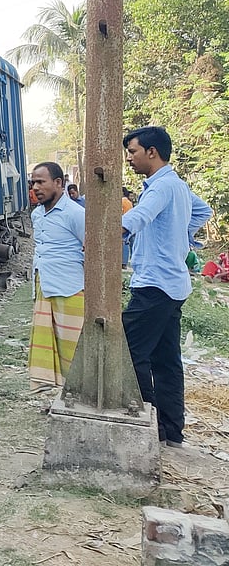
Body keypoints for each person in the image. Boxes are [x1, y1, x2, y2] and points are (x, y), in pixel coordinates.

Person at [121, 126, 212, 448]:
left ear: (152, 152)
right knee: (166, 360)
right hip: (173, 284)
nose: (129, 158)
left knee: (129, 352)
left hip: (155, 284)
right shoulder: (178, 185)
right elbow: (204, 211)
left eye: (132, 152)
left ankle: (148, 424)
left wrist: (109, 231)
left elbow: (138, 217)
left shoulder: (160, 188)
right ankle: (171, 430)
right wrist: (179, 235)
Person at [27, 162, 86, 388]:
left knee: (73, 347)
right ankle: (58, 391)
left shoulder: (76, 214)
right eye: (33, 183)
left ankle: (78, 393)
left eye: (41, 182)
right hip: (45, 284)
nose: (36, 188)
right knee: (49, 343)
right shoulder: (37, 215)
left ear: (59, 183)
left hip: (71, 287)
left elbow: (89, 248)